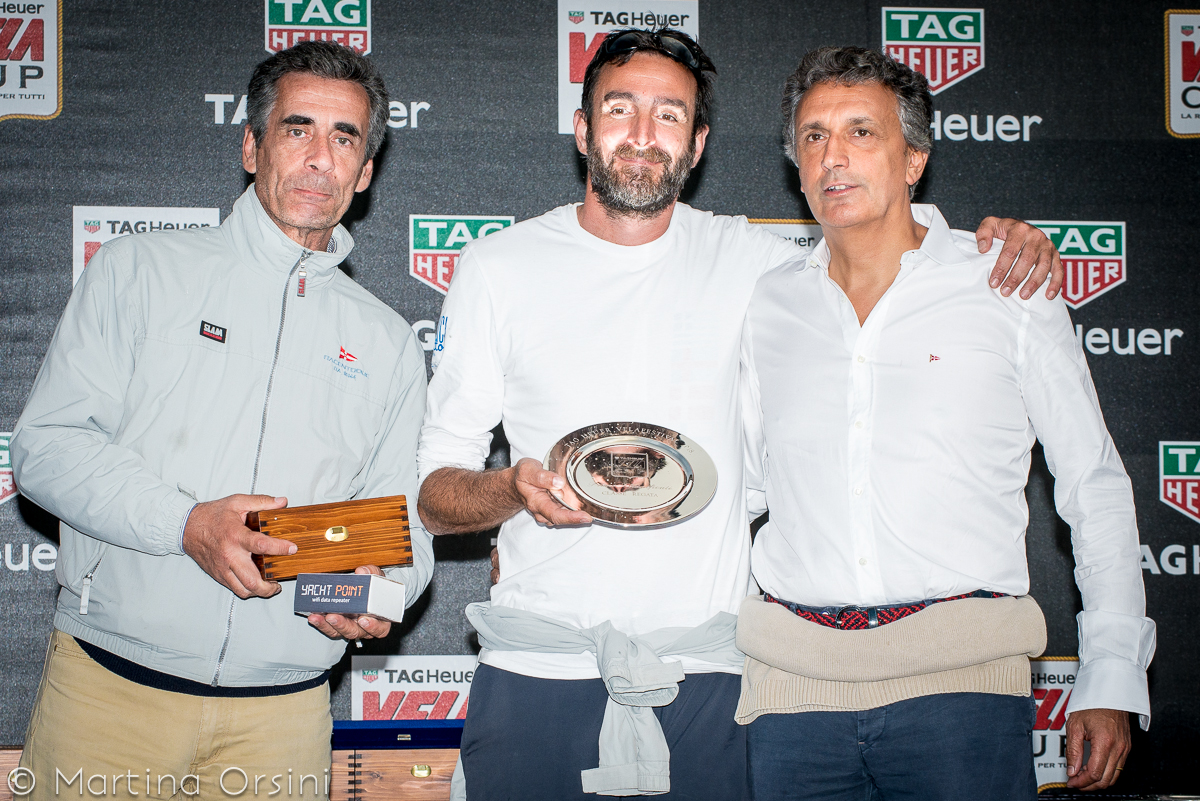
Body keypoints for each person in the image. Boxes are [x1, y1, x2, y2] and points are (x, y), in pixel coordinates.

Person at [416, 28, 1060, 801]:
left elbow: (884, 247)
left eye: (670, 115)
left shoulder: (765, 268)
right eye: (620, 109)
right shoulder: (498, 267)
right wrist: (510, 490)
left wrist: (996, 243)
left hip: (712, 682)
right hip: (535, 669)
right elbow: (433, 496)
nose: (643, 134)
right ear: (583, 128)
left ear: (698, 144)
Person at [10, 41, 433, 800]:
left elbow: (398, 519)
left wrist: (380, 586)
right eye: (298, 129)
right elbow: (46, 448)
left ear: (365, 172)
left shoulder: (389, 341)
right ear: (251, 147)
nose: (319, 158)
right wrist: (186, 524)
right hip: (111, 693)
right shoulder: (139, 271)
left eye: (344, 139)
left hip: (284, 716)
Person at [736, 46, 1154, 801]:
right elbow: (742, 490)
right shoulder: (767, 301)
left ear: (914, 159)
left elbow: (1093, 485)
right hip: (792, 698)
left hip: (962, 694)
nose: (833, 156)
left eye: (862, 132)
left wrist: (1112, 670)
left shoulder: (1006, 283)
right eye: (814, 136)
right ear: (796, 166)